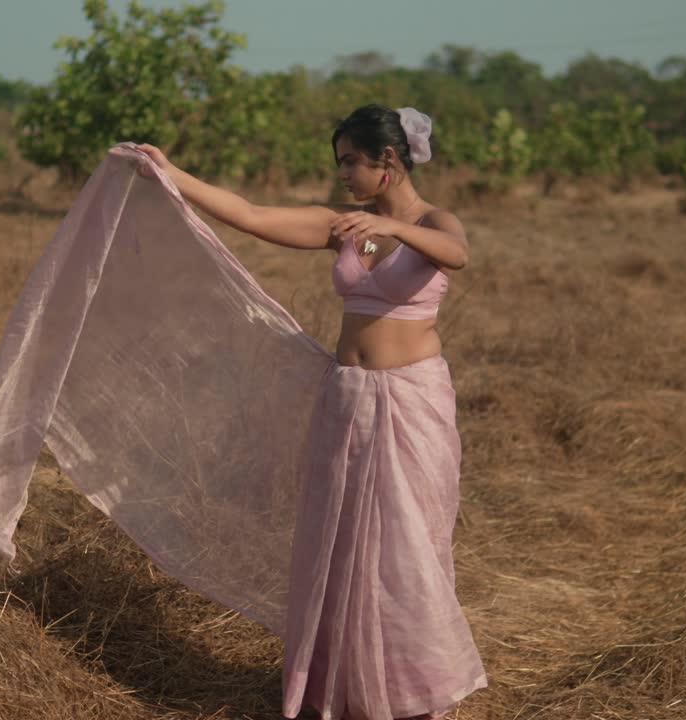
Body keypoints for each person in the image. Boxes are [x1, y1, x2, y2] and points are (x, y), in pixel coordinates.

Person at [132, 104, 487, 720]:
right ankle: (349, 688)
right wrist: (172, 173)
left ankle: (414, 692)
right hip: (348, 398)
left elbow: (456, 254)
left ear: (390, 162)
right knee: (344, 543)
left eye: (353, 160)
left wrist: (399, 232)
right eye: (341, 161)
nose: (344, 173)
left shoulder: (432, 222)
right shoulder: (346, 225)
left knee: (409, 545)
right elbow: (251, 214)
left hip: (414, 397)